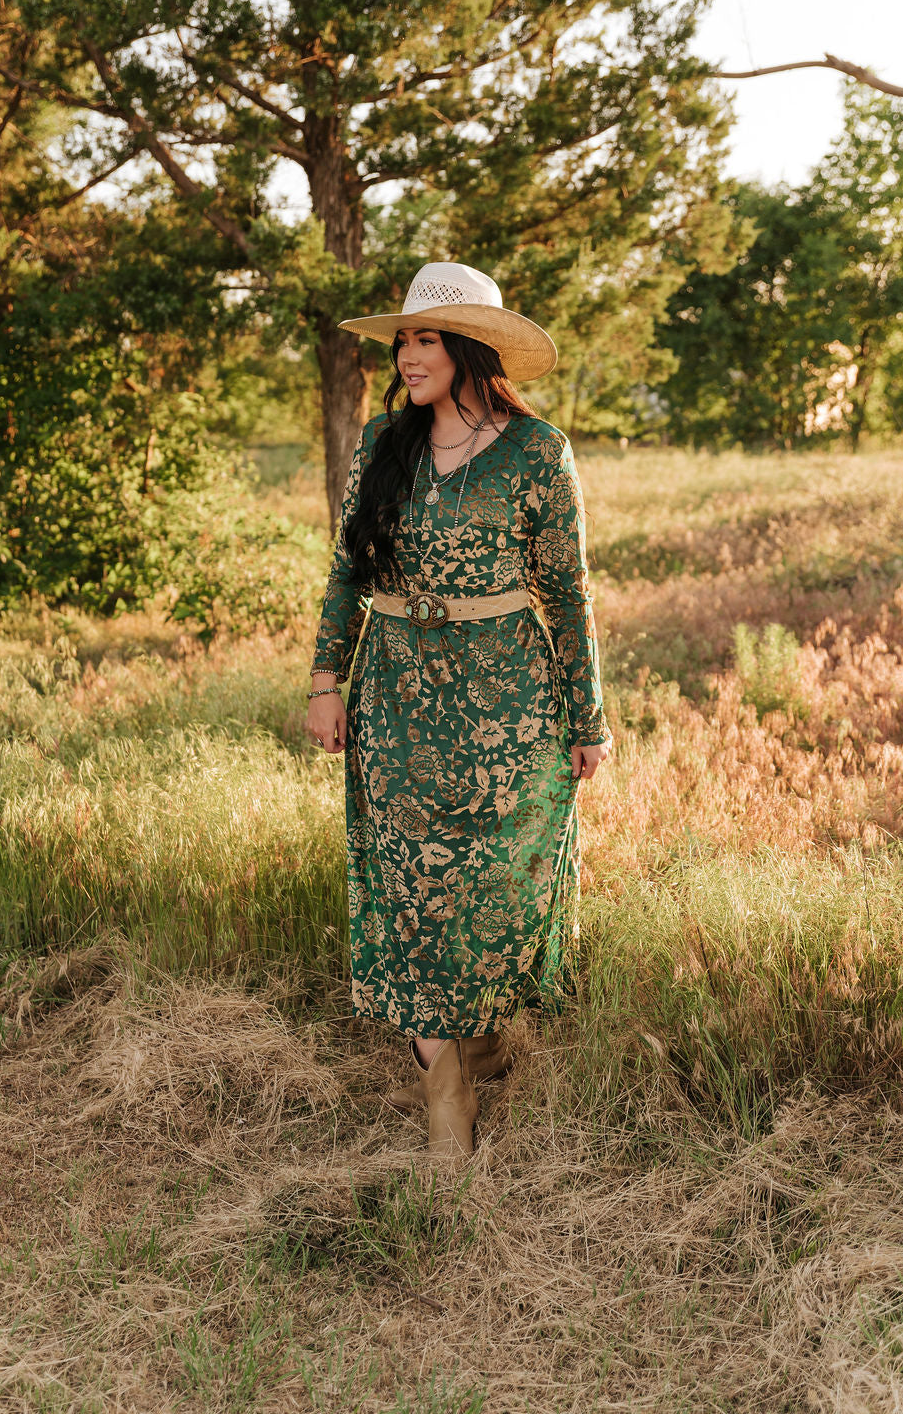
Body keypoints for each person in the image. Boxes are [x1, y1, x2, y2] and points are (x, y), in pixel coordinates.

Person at [306, 261, 611, 1159]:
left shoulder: (538, 451)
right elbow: (347, 572)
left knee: (495, 885)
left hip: (510, 706)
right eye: (402, 340)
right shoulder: (382, 442)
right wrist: (325, 682)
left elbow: (568, 592)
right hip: (395, 695)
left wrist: (588, 719)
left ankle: (476, 1042)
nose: (407, 355)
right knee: (407, 885)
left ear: (472, 347)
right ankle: (447, 1097)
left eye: (426, 339)